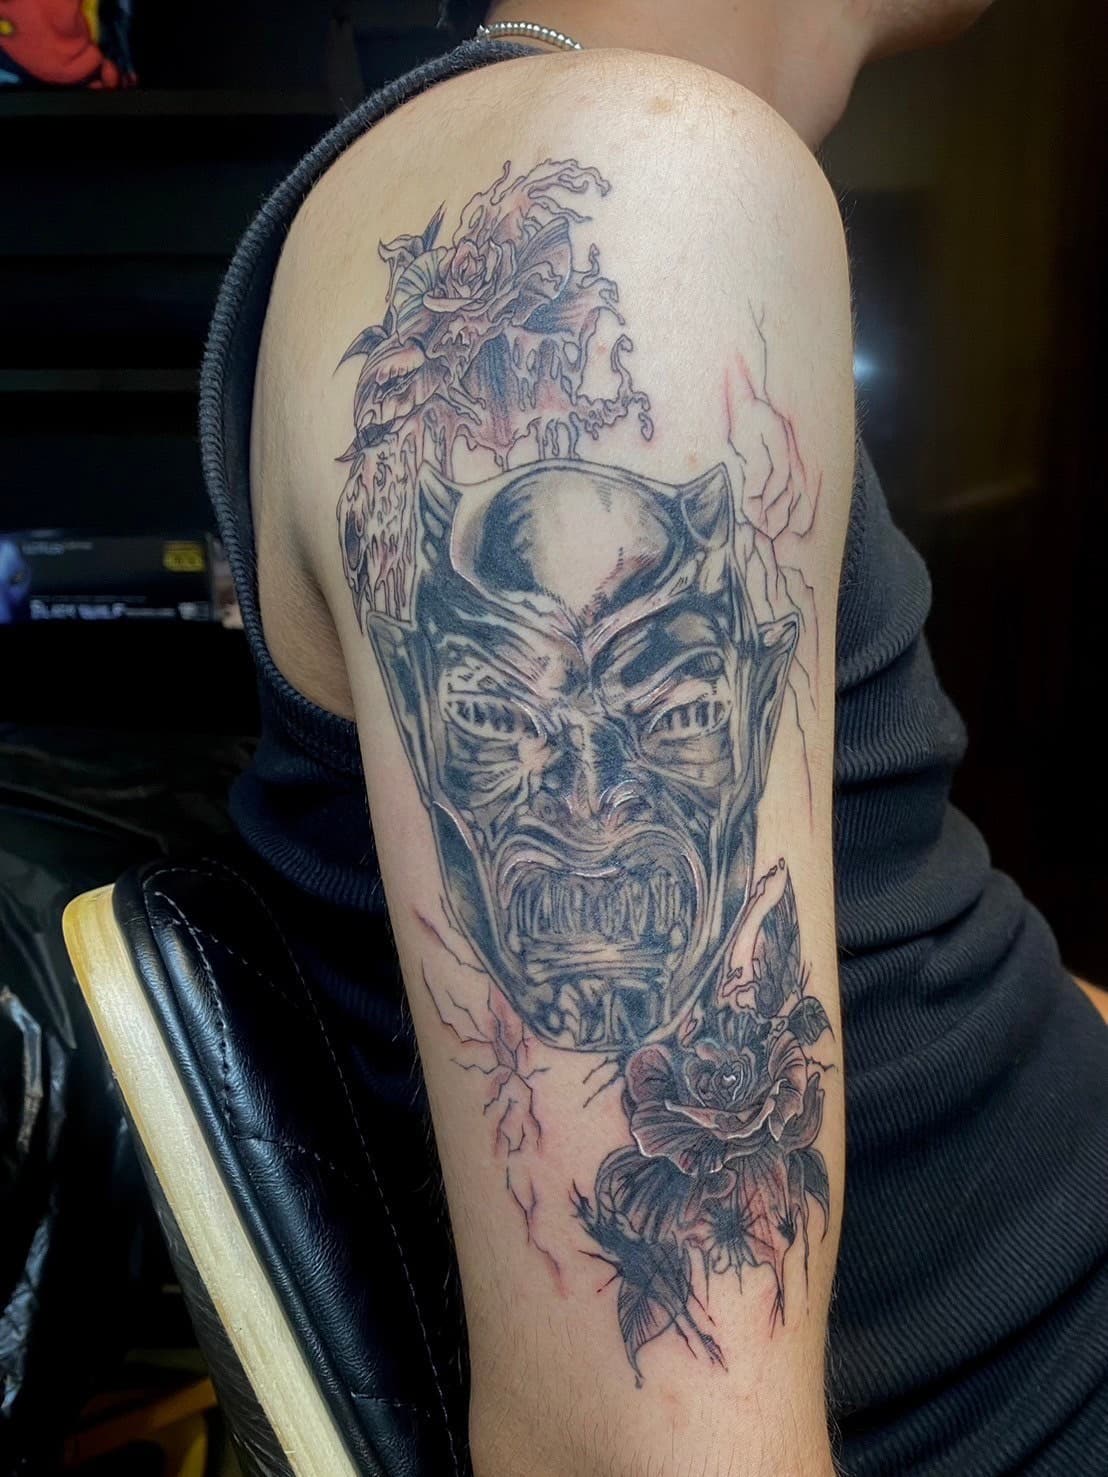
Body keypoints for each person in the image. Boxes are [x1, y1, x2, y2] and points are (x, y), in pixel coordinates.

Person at [201, 2, 1108, 1473]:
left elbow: (891, 953)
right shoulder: (641, 182)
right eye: (502, 716)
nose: (589, 794)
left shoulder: (606, 176)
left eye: (673, 709)